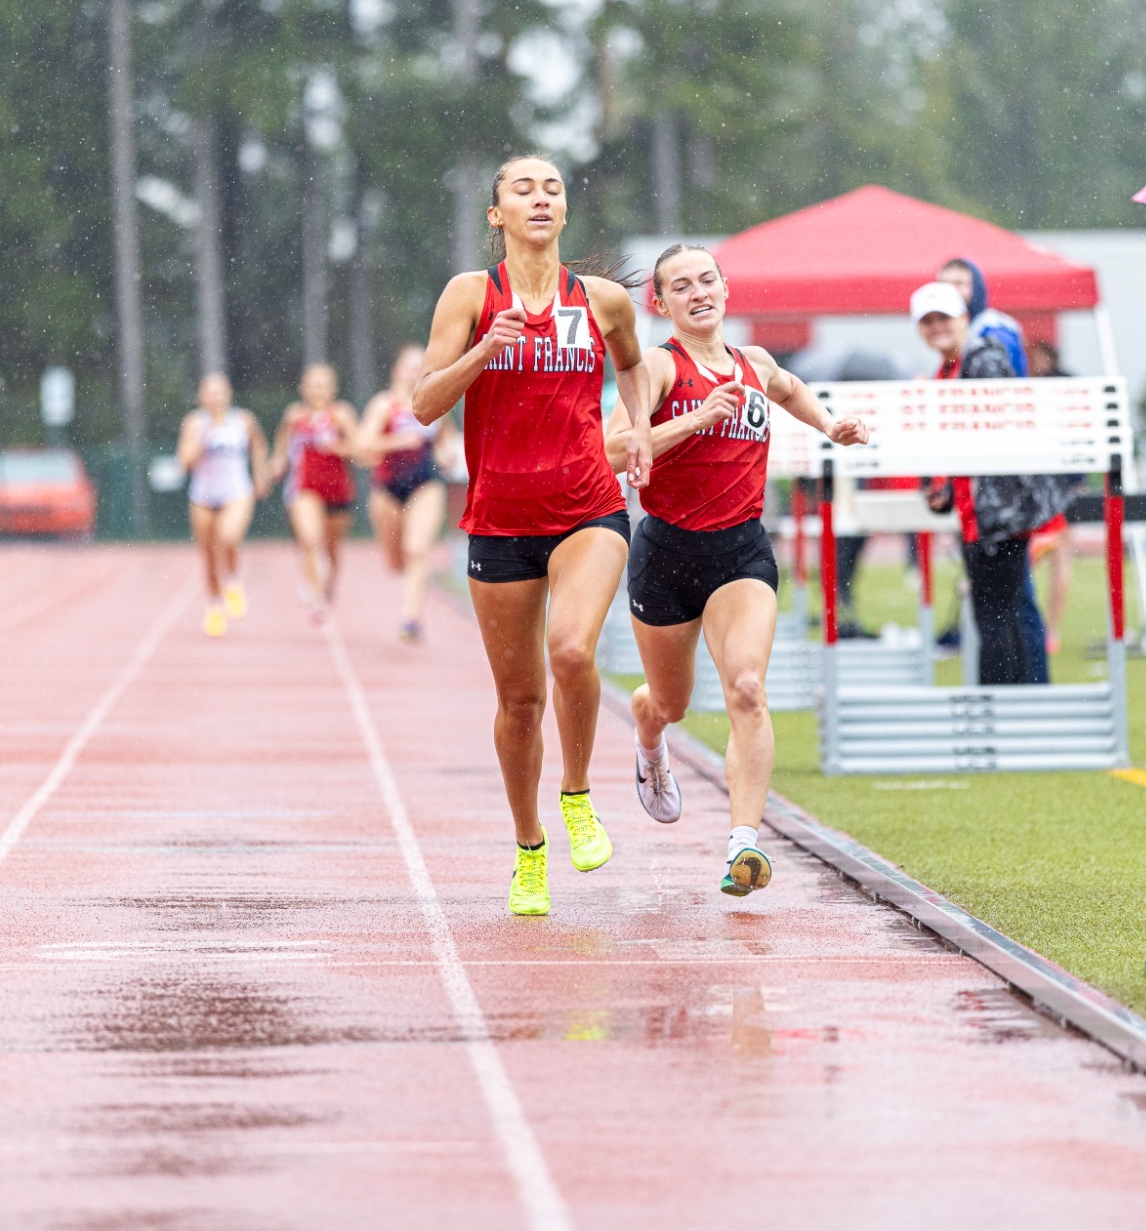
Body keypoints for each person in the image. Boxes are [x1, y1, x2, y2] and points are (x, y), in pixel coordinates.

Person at [413, 154, 653, 918]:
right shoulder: (470, 295)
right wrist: (486, 349)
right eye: (524, 188)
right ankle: (528, 848)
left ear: (563, 211)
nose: (541, 197)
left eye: (552, 188)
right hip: (500, 518)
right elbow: (423, 403)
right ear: (497, 215)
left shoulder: (605, 300)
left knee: (573, 649)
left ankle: (578, 795)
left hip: (588, 505)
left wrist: (639, 425)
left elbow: (635, 368)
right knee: (519, 704)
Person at [603, 244, 868, 896]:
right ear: (659, 304)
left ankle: (743, 845)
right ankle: (648, 734)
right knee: (669, 699)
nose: (698, 292)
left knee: (747, 687)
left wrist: (830, 425)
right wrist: (694, 418)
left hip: (741, 553)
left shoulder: (755, 364)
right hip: (665, 554)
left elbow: (788, 388)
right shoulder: (659, 368)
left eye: (707, 280)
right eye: (681, 286)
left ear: (726, 289)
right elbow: (612, 449)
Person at [914, 281, 1060, 684]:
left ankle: (1009, 707)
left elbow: (994, 434)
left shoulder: (983, 358)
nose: (936, 327)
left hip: (1002, 514)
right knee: (995, 612)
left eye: (943, 318)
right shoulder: (949, 368)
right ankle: (1012, 705)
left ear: (964, 318)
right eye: (926, 322)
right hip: (981, 513)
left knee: (1001, 615)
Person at [357, 344, 457, 643]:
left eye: (421, 365)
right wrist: (396, 441)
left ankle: (410, 618)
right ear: (397, 371)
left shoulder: (436, 403)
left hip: (426, 484)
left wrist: (446, 453)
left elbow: (445, 437)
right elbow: (362, 446)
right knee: (395, 561)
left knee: (417, 550)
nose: (416, 371)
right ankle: (408, 600)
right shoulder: (384, 405)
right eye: (410, 366)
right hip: (387, 488)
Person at [176, 372, 268, 638]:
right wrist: (203, 437)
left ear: (228, 394)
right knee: (207, 554)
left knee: (228, 537)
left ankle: (234, 581)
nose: (215, 397)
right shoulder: (194, 423)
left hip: (236, 492)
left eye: (220, 392)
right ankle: (215, 605)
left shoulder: (243, 420)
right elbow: (184, 462)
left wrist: (260, 474)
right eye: (210, 392)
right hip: (203, 496)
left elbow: (259, 446)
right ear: (201, 397)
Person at [267, 363, 359, 623]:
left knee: (332, 549)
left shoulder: (341, 414)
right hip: (305, 487)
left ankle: (326, 584)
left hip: (337, 490)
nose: (318, 390)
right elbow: (282, 448)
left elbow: (360, 448)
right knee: (309, 539)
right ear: (303, 388)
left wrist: (339, 447)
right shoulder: (294, 416)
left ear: (333, 388)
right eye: (313, 385)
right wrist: (275, 465)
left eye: (323, 385)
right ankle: (317, 598)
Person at [1027, 339, 1077, 657]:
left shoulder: (1043, 388)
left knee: (1053, 553)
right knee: (1059, 555)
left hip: (1050, 483)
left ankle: (1048, 629)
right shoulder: (1070, 386)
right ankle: (1050, 630)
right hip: (1058, 482)